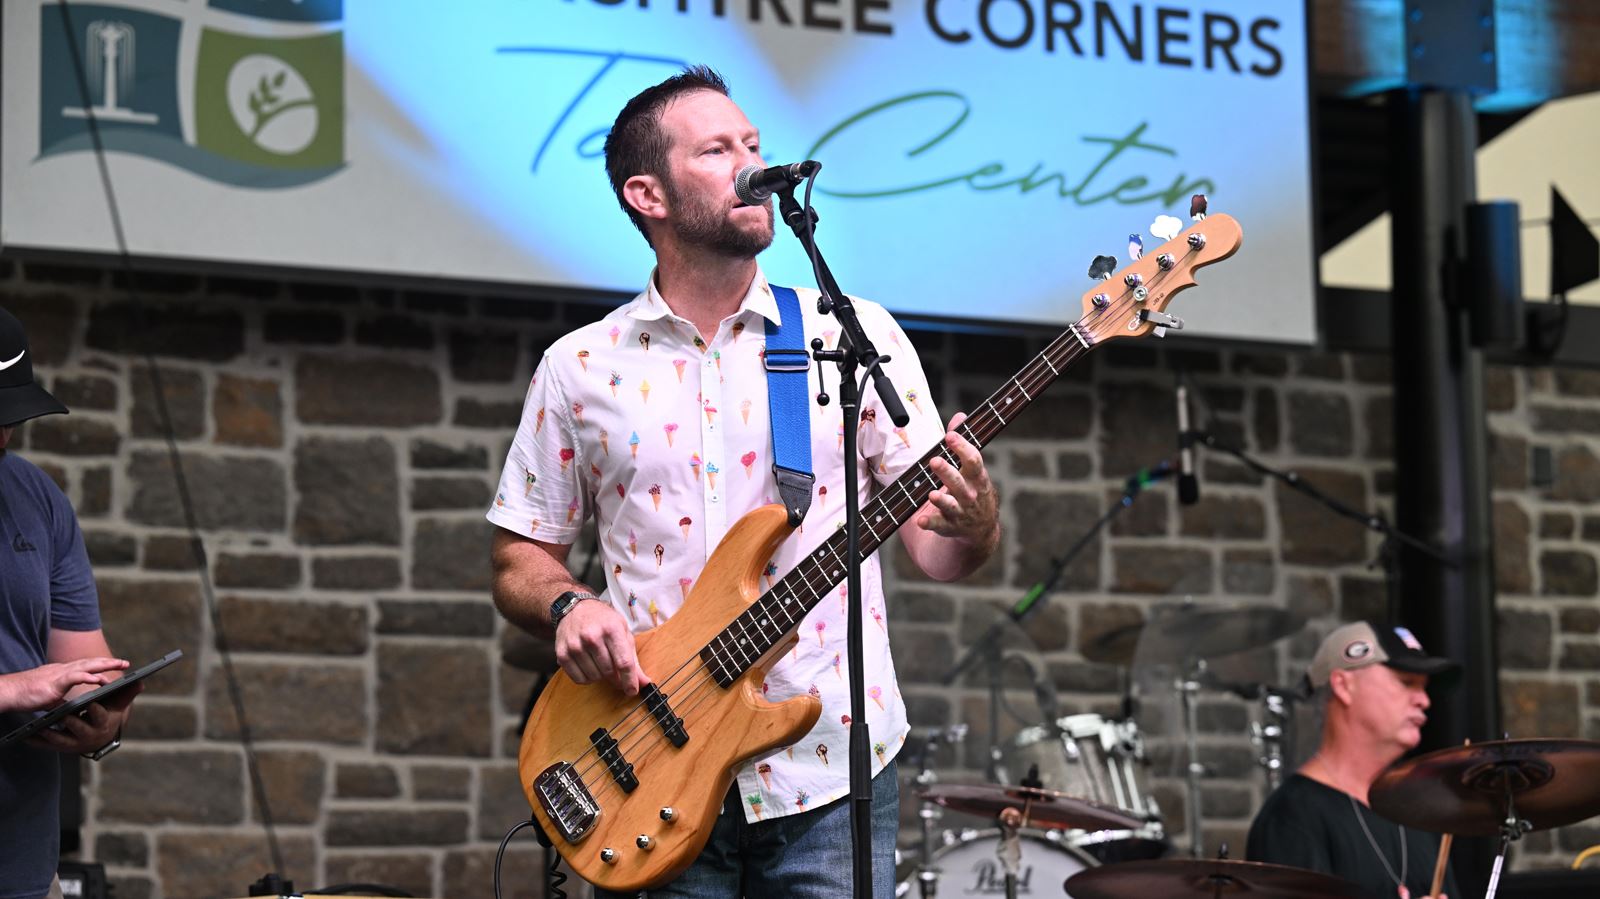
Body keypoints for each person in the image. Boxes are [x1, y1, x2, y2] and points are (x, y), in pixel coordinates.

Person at [487, 66, 1000, 897]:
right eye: (717, 149)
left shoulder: (850, 335)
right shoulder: (579, 367)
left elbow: (939, 555)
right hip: (648, 764)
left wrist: (975, 524)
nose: (750, 163)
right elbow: (518, 557)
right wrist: (568, 606)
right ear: (648, 195)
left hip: (829, 768)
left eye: (753, 144)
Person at [0, 305, 139, 899]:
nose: (1, 437)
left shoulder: (36, 496)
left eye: (9, 417)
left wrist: (100, 720)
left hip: (23, 868)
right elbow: (27, 685)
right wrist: (13, 690)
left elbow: (84, 663)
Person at [1247, 620, 1461, 899]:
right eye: (1406, 682)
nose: (1424, 700)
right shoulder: (1291, 817)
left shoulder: (1416, 812)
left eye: (1424, 687)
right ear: (1344, 685)